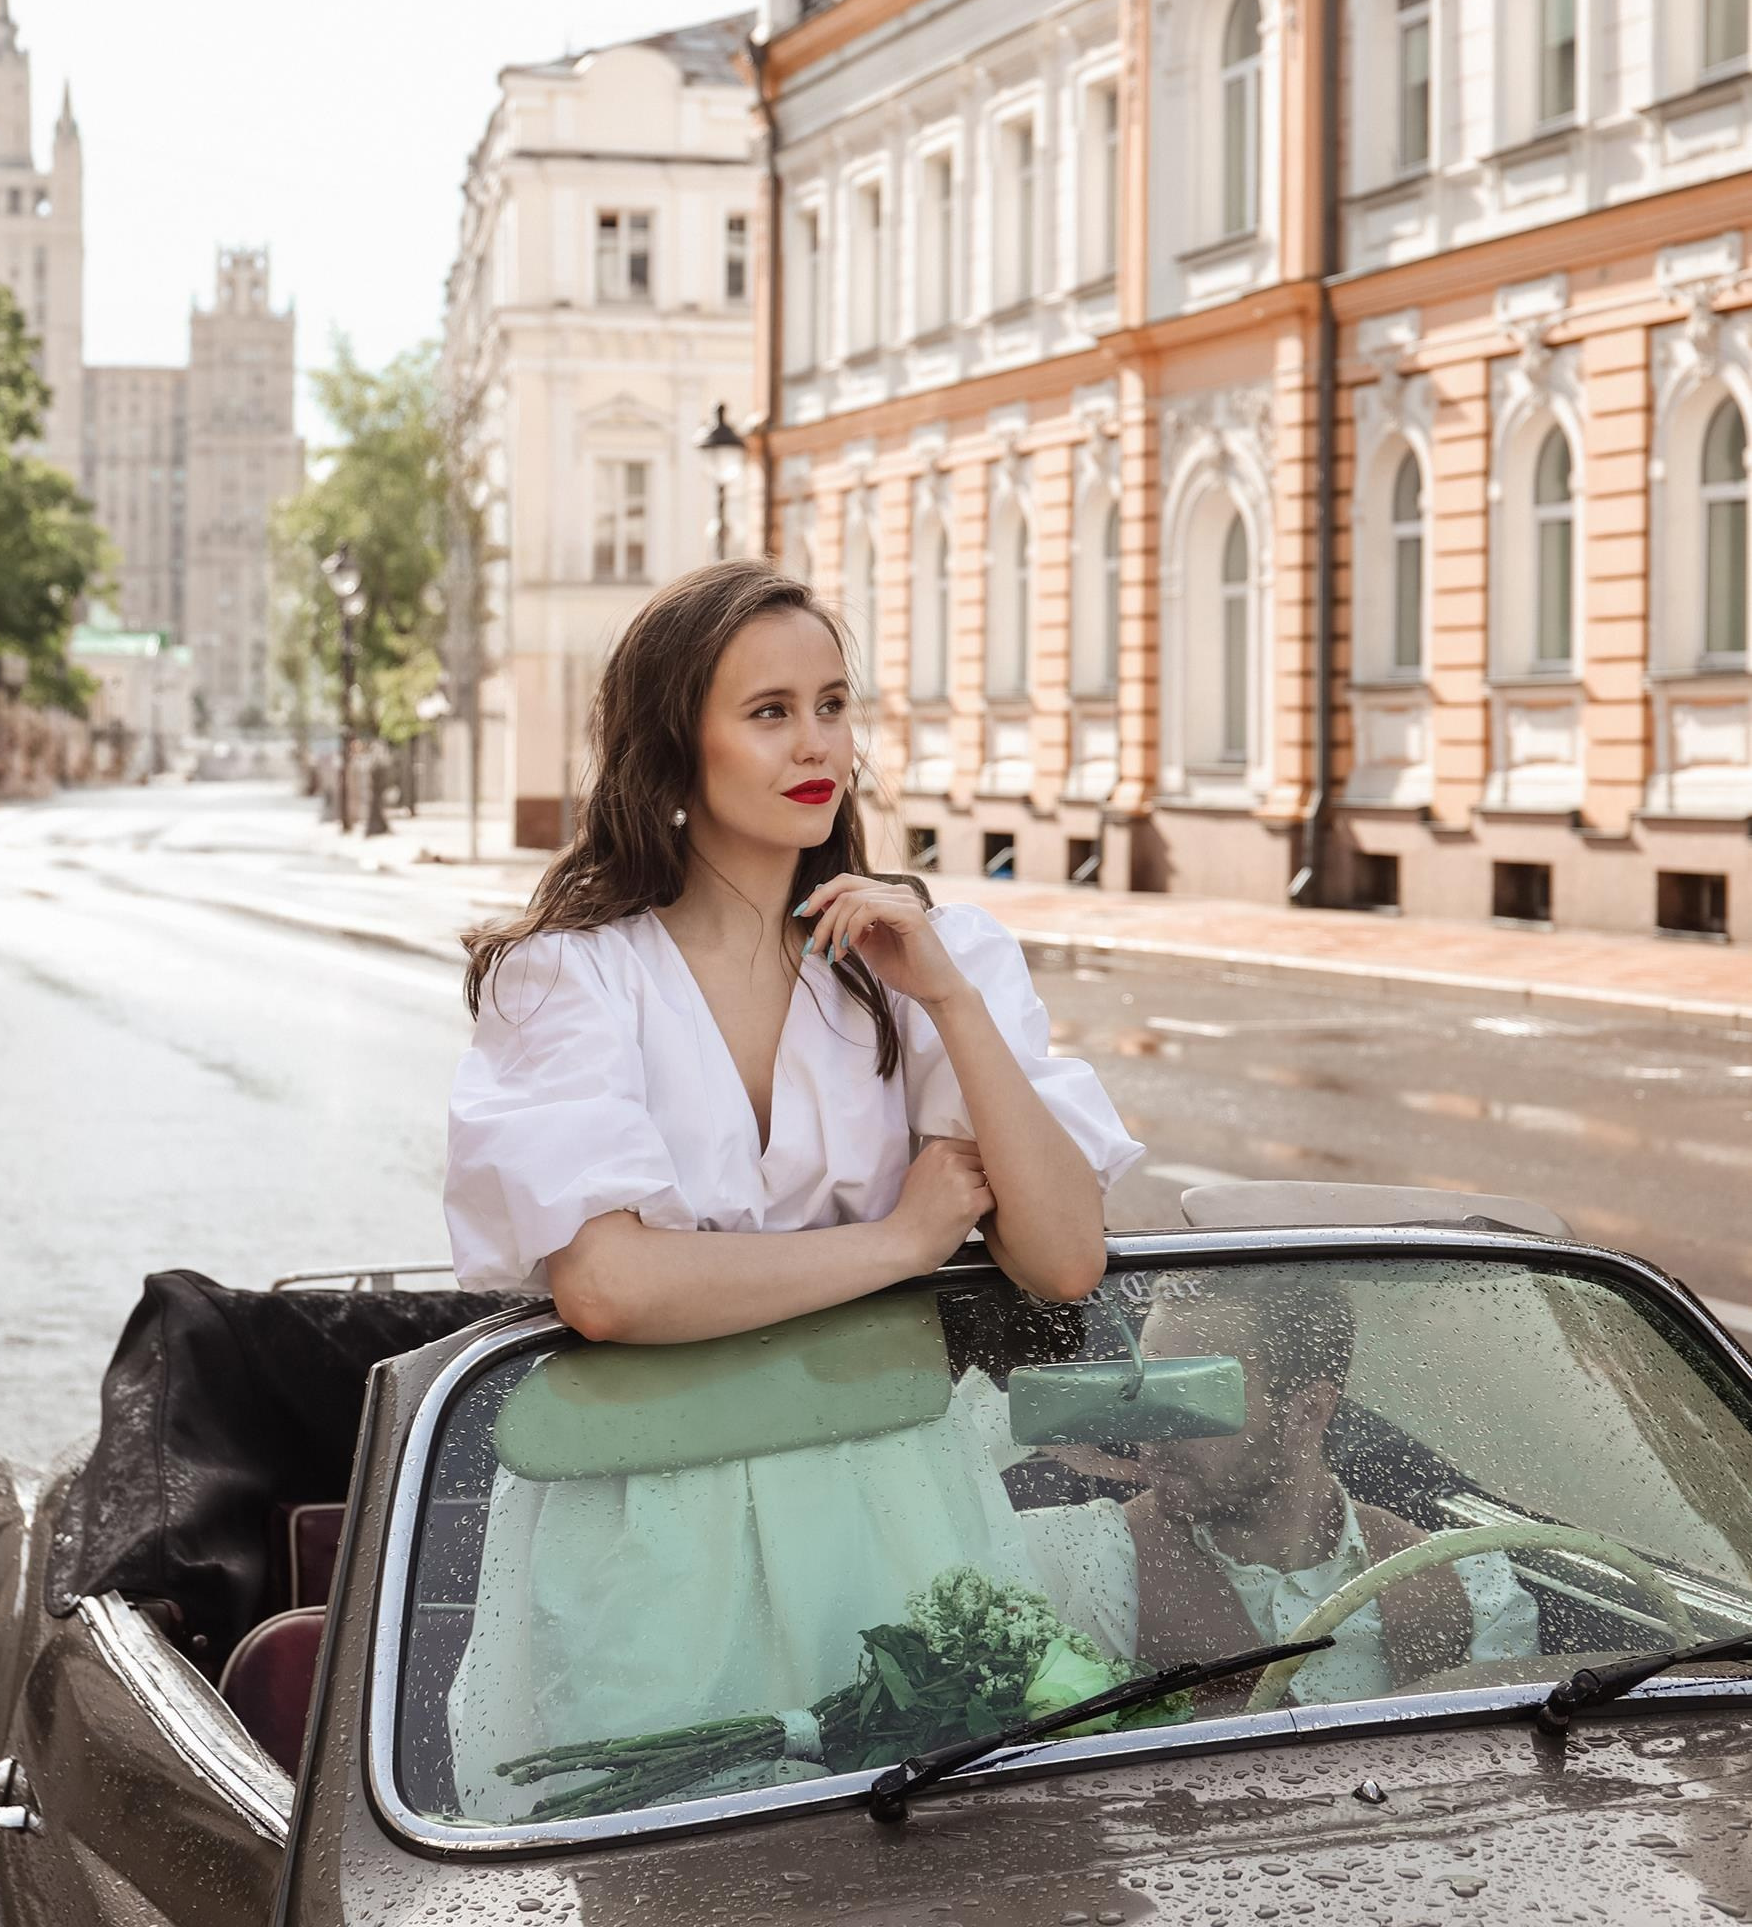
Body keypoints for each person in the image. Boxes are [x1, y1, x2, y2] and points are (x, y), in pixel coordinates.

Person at [444, 558, 1141, 1331]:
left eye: (832, 705)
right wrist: (900, 1242)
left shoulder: (929, 961)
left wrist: (951, 1001)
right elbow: (607, 1287)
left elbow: (1066, 1259)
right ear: (675, 751)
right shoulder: (572, 978)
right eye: (770, 712)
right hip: (658, 1447)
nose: (817, 745)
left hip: (896, 1446)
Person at [1001, 1274, 1542, 1707]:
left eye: (1195, 1398)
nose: (1154, 1431)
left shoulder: (1470, 1582)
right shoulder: (1079, 1558)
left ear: (1309, 1410)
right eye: (1149, 1391)